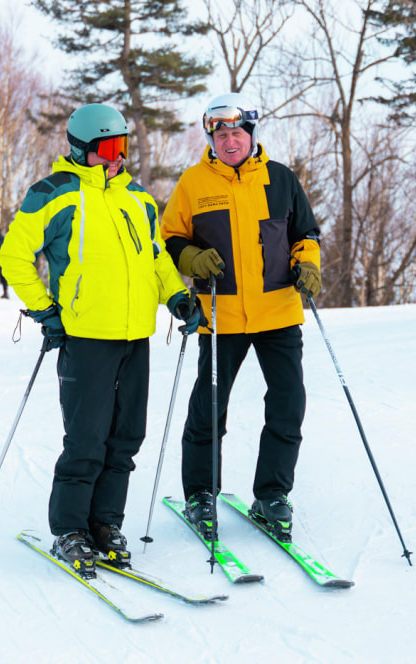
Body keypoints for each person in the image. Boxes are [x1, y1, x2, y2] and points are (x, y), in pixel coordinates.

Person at [0, 103, 200, 578]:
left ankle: (105, 525)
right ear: (82, 149)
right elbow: (13, 256)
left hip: (135, 335)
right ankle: (70, 529)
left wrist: (176, 298)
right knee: (87, 437)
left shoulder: (139, 199)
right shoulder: (53, 194)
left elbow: (155, 259)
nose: (117, 158)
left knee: (127, 437)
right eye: (108, 148)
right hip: (86, 336)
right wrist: (45, 309)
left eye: (123, 147)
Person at [161, 92, 322, 543]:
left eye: (237, 133)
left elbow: (305, 233)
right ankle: (200, 494)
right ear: (211, 137)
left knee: (288, 405)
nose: (230, 142)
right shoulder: (193, 183)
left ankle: (271, 494)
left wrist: (308, 263)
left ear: (251, 134)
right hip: (221, 314)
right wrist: (191, 257)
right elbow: (171, 237)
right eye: (221, 134)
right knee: (209, 409)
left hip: (278, 312)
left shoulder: (281, 179)